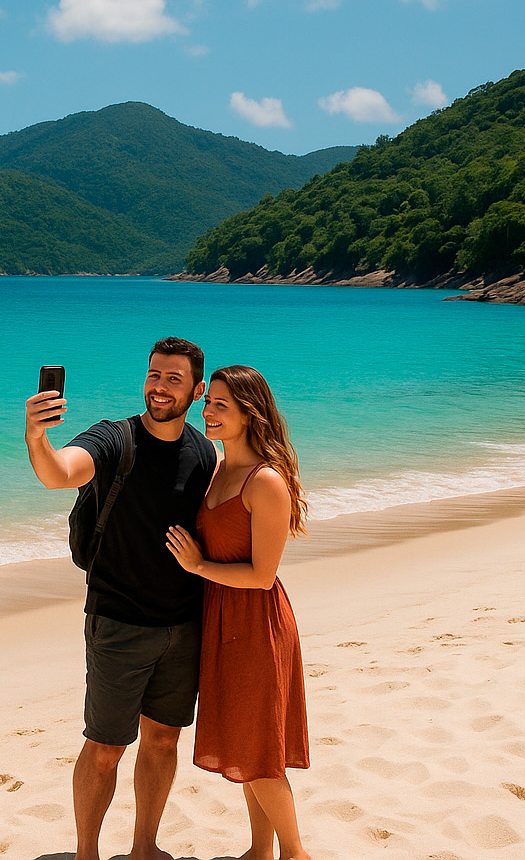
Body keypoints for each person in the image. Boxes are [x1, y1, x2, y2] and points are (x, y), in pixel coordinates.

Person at [24, 337, 218, 860]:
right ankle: (86, 852)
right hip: (118, 623)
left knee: (163, 742)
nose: (160, 387)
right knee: (106, 746)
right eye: (155, 375)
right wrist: (38, 437)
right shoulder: (114, 439)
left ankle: (144, 848)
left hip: (182, 625)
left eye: (175, 379)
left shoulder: (203, 452)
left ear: (198, 391)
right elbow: (59, 473)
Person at [166, 364, 312, 860]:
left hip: (257, 625)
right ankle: (259, 851)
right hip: (223, 621)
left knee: (260, 753)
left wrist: (198, 564)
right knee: (250, 746)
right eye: (208, 403)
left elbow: (261, 575)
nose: (208, 412)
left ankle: (295, 853)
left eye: (221, 406)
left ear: (250, 414)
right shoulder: (217, 468)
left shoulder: (265, 481)